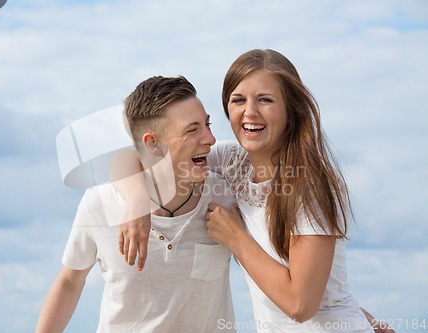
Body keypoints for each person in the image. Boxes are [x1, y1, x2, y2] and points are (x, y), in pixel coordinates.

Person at [116, 50, 395, 333]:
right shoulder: (230, 161)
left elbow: (300, 305)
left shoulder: (307, 185)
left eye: (265, 99)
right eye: (238, 100)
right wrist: (136, 202)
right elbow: (134, 157)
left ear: (291, 110)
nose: (250, 112)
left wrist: (236, 238)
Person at [34, 75, 237, 333]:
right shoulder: (100, 201)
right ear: (153, 144)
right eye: (192, 130)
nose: (210, 138)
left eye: (207, 124)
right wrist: (136, 200)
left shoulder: (225, 196)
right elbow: (70, 282)